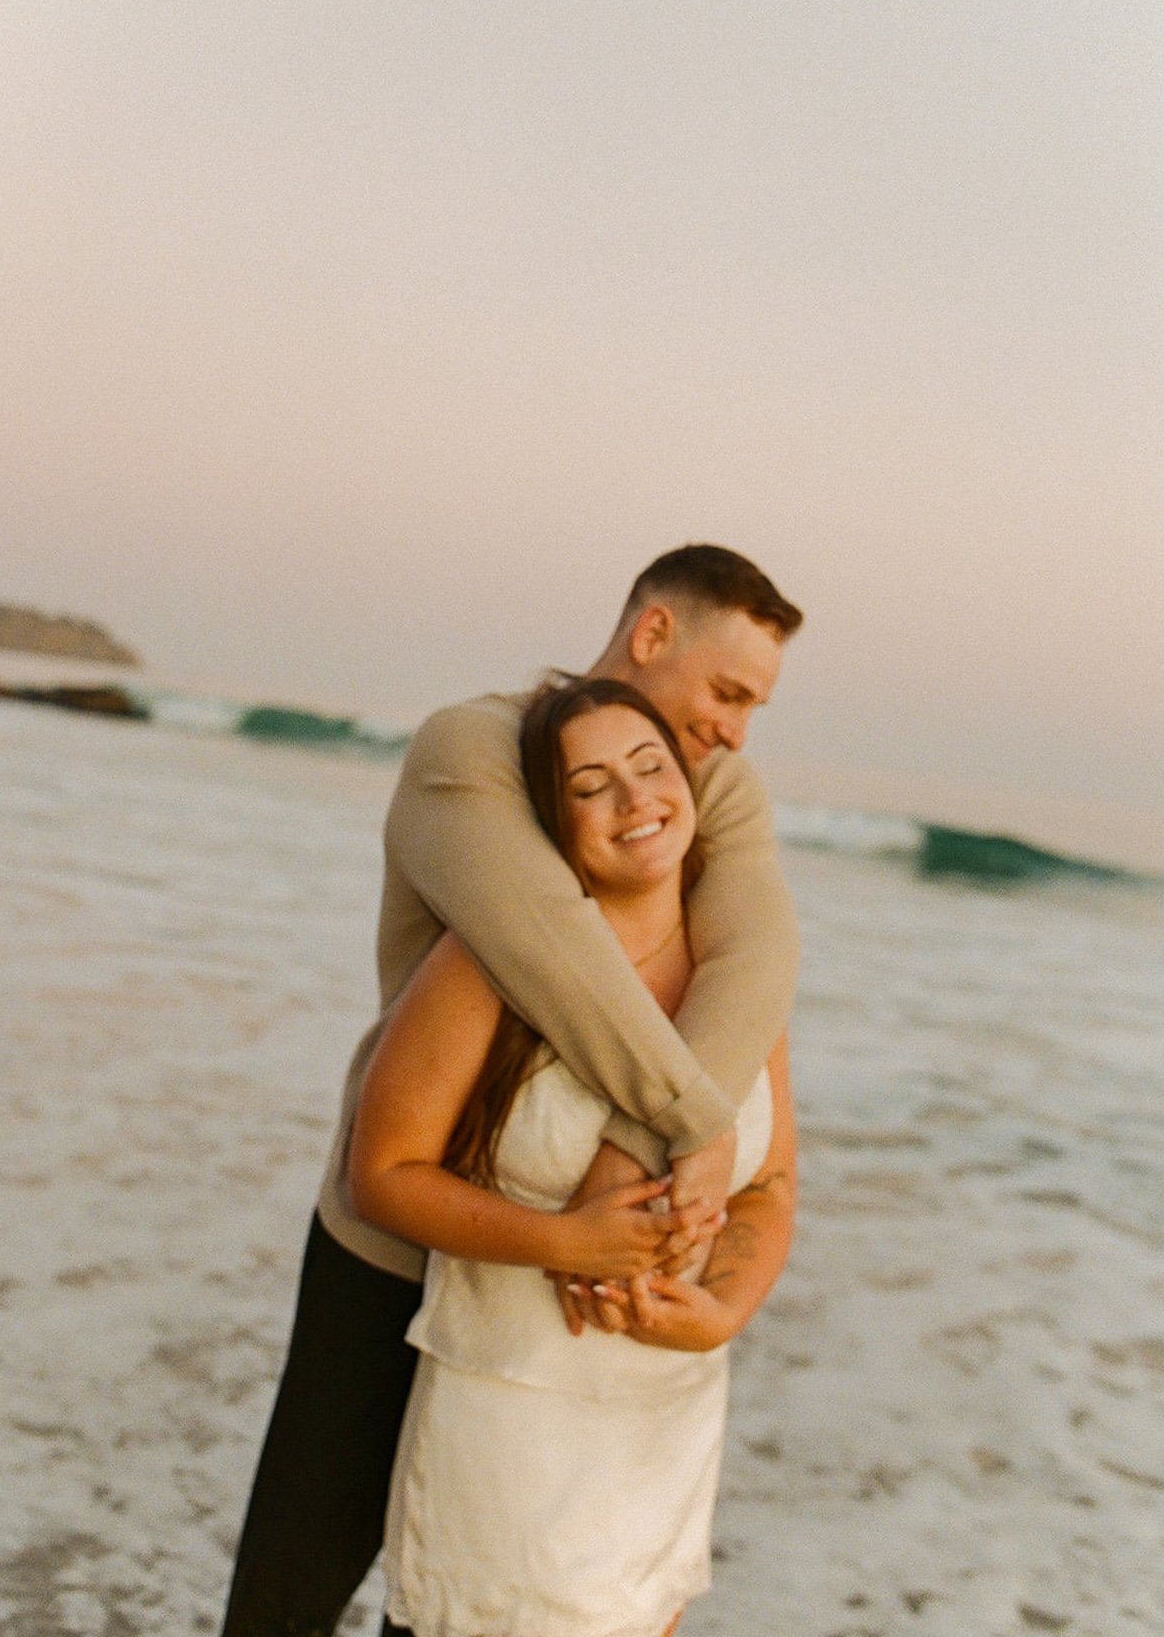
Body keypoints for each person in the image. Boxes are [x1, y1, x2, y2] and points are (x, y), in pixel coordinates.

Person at [219, 545, 803, 1637]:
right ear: (651, 636)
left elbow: (759, 957)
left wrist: (654, 1165)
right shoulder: (473, 747)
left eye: (753, 708)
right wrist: (685, 1129)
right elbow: (551, 948)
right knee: (298, 1585)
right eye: (726, 692)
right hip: (403, 1242)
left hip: (567, 1312)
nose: (731, 730)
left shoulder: (715, 781)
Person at [350, 677, 797, 1637]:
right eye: (591, 786)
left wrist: (720, 1312)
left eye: (650, 768)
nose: (636, 802)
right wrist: (561, 1240)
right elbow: (381, 1173)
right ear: (554, 821)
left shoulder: (740, 971)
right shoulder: (490, 960)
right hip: (509, 1411)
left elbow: (769, 1186)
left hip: (663, 1417)